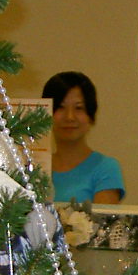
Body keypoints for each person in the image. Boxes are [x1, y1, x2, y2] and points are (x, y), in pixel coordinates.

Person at [42, 71, 125, 205]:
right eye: (61, 107)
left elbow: (103, 217)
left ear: (91, 116)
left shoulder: (105, 168)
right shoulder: (36, 167)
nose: (69, 117)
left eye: (79, 108)